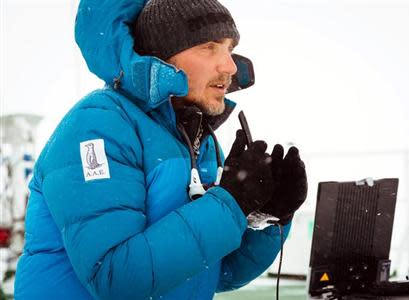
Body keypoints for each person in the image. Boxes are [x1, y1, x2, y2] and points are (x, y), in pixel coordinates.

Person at [14, 0, 307, 299]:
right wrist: (230, 202)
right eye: (209, 46)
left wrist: (268, 217)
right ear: (163, 58)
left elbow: (215, 271)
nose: (230, 66)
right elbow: (115, 277)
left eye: (230, 48)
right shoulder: (97, 127)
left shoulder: (198, 141)